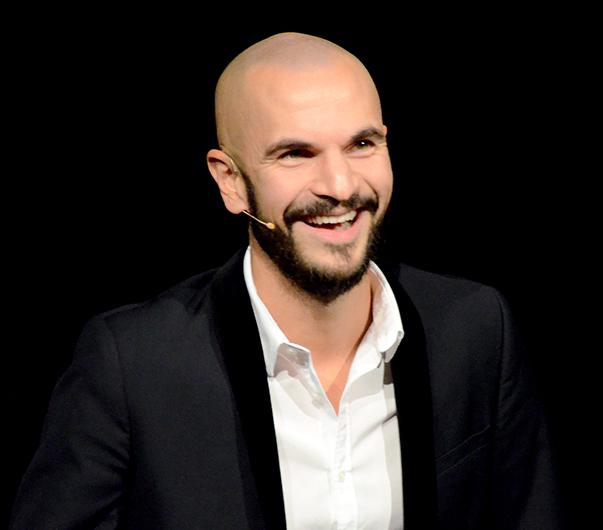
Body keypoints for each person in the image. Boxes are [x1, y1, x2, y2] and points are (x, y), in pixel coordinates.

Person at [11, 32, 559, 529]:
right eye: (295, 154)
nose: (340, 185)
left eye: (362, 144)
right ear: (230, 182)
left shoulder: (474, 329)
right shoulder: (133, 365)